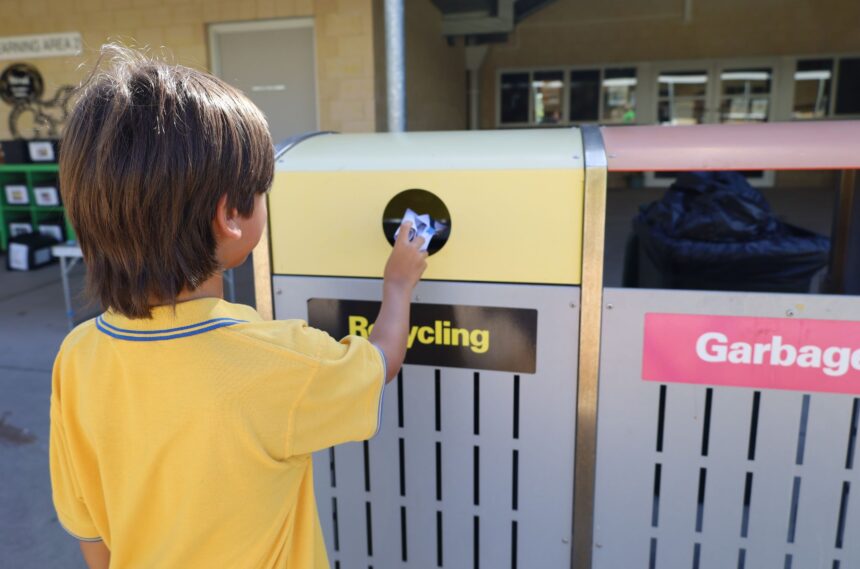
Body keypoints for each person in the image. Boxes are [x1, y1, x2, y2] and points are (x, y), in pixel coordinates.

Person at [49, 44, 427, 569]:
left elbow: (89, 526)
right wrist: (398, 284)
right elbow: (381, 361)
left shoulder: (77, 357)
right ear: (232, 215)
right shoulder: (279, 360)